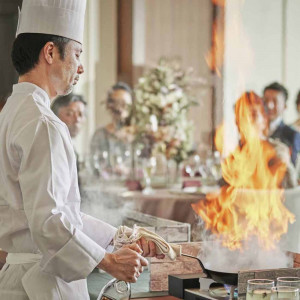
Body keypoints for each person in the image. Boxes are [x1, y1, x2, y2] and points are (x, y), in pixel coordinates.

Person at [0, 1, 162, 299]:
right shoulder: (42, 123)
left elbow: (59, 212)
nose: (81, 67)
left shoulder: (12, 111)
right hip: (42, 284)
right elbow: (49, 223)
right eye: (77, 53)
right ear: (50, 52)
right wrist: (109, 261)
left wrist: (118, 237)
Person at [234, 91, 297, 189]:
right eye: (241, 116)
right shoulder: (236, 152)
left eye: (253, 115)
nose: (246, 121)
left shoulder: (276, 151)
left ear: (264, 121)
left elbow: (291, 191)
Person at [90, 82, 134, 174]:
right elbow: (94, 167)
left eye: (124, 104)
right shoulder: (100, 134)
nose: (119, 109)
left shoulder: (138, 134)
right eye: (116, 103)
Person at [263, 82, 300, 166]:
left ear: (284, 106)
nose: (269, 105)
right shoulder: (252, 131)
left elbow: (292, 168)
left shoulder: (292, 135)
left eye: (275, 101)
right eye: (265, 100)